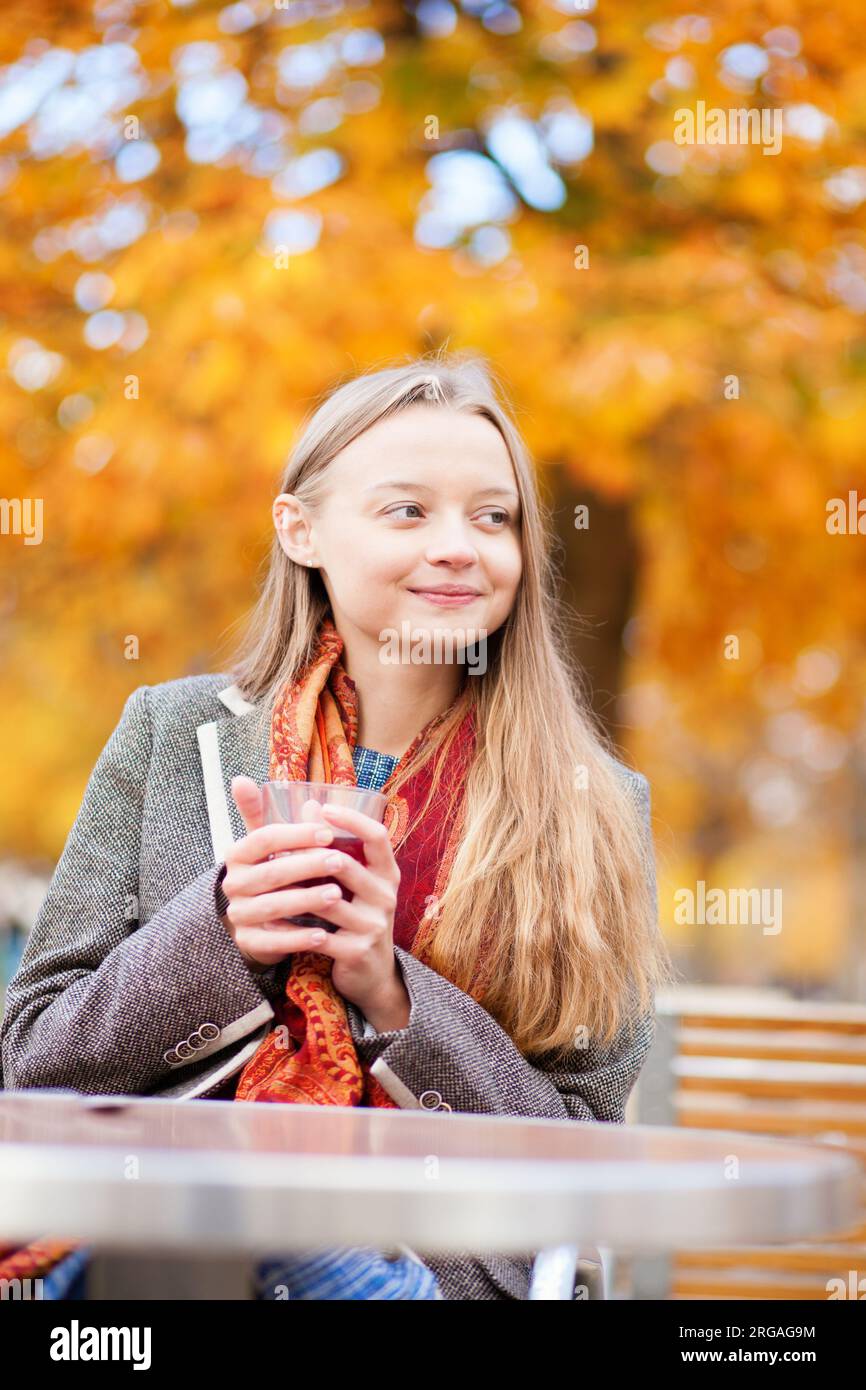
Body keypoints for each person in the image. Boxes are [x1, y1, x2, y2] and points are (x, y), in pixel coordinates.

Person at [0, 350, 675, 1300]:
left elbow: (579, 1151)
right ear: (301, 529)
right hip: (159, 1245)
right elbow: (29, 1062)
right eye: (408, 510)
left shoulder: (596, 802)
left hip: (434, 1270)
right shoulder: (170, 734)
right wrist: (218, 934)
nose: (459, 546)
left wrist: (393, 994)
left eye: (495, 517)